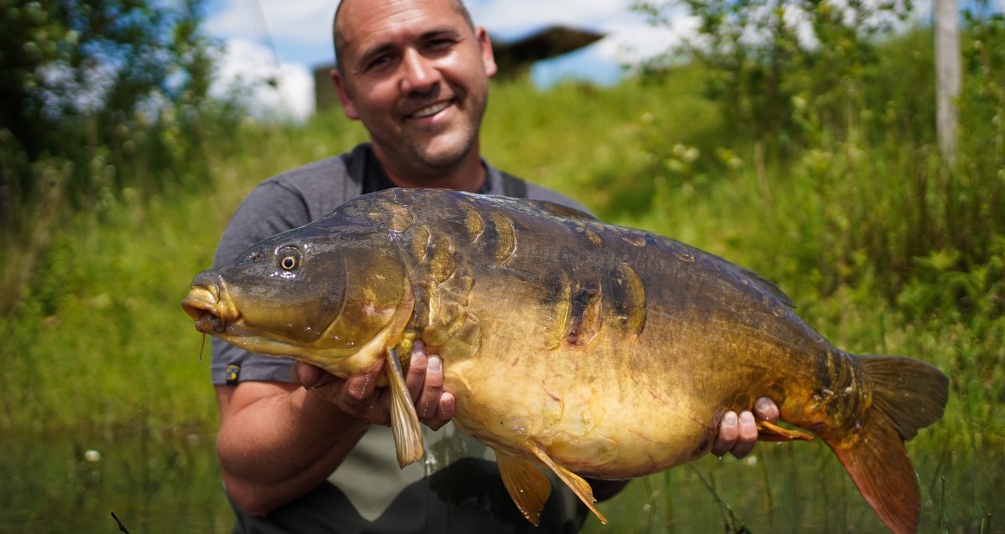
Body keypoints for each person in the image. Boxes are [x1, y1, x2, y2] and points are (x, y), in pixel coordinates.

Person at [209, 0, 779, 532]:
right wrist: (341, 405)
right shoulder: (293, 212)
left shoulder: (573, 233)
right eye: (381, 59)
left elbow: (601, 477)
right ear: (346, 92)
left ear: (483, 51)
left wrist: (686, 429)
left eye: (437, 43)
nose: (419, 76)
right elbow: (249, 482)